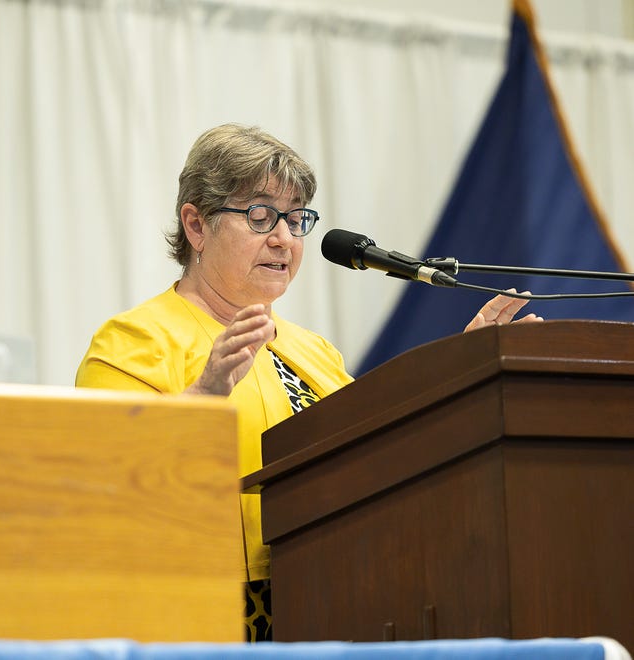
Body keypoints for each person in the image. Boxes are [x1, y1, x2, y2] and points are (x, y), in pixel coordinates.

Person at [76, 123, 542, 641]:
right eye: (259, 216)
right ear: (196, 225)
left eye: (296, 220)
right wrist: (203, 398)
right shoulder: (133, 340)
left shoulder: (312, 350)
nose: (283, 238)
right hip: (200, 620)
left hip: (332, 599)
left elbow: (375, 458)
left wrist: (459, 376)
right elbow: (101, 488)